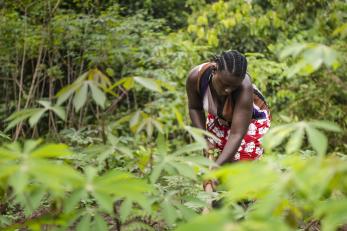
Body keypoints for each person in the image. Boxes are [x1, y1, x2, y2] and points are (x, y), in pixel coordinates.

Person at [186, 50, 271, 199]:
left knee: (240, 164)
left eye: (233, 87)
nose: (228, 90)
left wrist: (216, 169)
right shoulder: (196, 77)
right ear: (214, 71)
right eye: (225, 84)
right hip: (220, 117)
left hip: (251, 121)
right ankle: (218, 203)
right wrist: (204, 140)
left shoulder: (244, 87)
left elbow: (237, 134)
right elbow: (194, 108)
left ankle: (246, 203)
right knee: (214, 158)